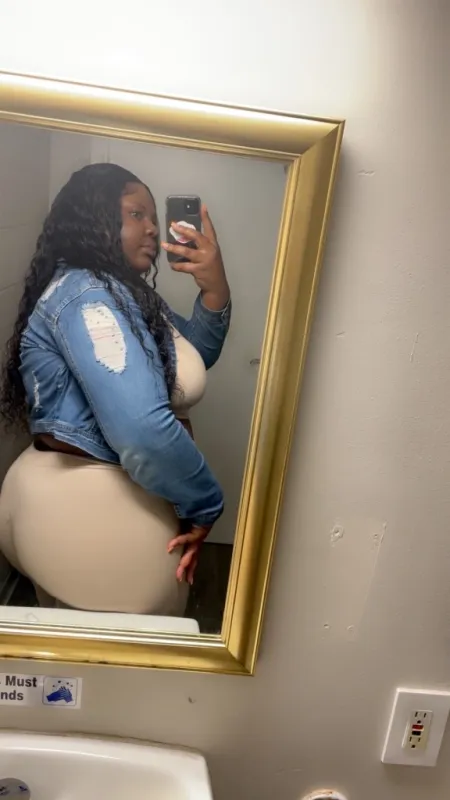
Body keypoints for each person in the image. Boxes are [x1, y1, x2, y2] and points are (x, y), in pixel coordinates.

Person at [0, 163, 230, 615]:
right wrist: (206, 503)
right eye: (136, 214)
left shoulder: (122, 292)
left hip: (90, 497)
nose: (153, 229)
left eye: (154, 217)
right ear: (94, 218)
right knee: (121, 648)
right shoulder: (89, 297)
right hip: (92, 502)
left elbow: (192, 359)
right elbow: (143, 432)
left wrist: (214, 291)